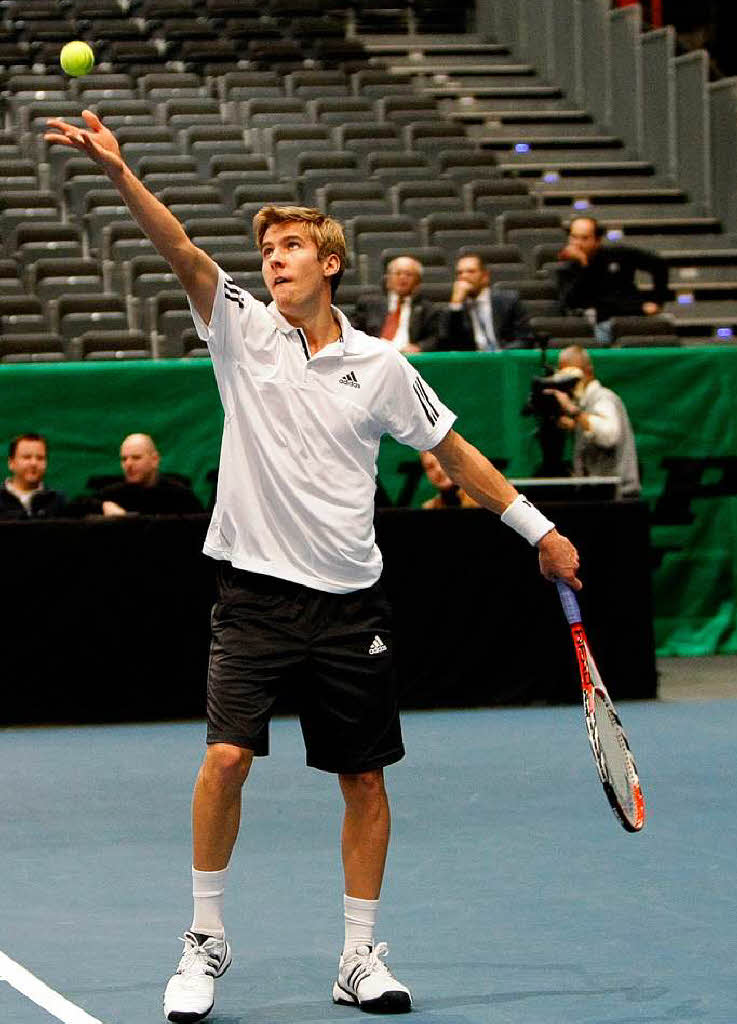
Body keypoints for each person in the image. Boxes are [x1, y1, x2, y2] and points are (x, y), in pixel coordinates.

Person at [44, 109, 581, 1023]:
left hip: (350, 606)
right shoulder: (238, 330)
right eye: (267, 251)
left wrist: (538, 528)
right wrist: (121, 174)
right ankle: (204, 940)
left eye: (291, 247)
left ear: (329, 263)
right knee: (223, 760)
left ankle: (359, 955)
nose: (274, 261)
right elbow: (179, 249)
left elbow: (454, 455)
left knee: (364, 780)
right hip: (250, 596)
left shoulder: (380, 367)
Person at [544, 345, 641, 498]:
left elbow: (609, 436)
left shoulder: (603, 398)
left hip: (618, 497)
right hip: (597, 495)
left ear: (588, 372)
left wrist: (574, 412)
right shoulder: (583, 404)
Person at [556, 217, 670, 345]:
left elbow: (658, 264)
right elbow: (571, 302)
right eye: (574, 237)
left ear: (597, 240)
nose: (578, 243)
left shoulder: (617, 254)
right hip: (600, 323)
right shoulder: (566, 268)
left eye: (584, 238)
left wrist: (658, 301)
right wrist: (584, 265)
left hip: (635, 315)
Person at [438, 252, 535, 351]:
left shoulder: (509, 301)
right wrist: (456, 306)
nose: (464, 276)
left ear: (485, 276)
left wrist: (500, 355)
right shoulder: (451, 310)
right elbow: (449, 346)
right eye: (460, 273)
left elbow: (525, 338)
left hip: (505, 360)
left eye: (471, 271)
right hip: (472, 363)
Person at [97, 432, 203, 516]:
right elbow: (83, 505)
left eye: (136, 457)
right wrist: (103, 506)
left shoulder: (180, 496)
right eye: (124, 459)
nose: (128, 464)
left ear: (155, 460)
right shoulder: (112, 495)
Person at [352, 256, 440, 353]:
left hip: (409, 359)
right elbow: (353, 333)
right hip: (375, 356)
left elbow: (434, 338)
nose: (402, 277)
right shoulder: (369, 303)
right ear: (388, 278)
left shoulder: (428, 309)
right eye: (397, 273)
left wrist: (419, 347)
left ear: (418, 282)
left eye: (408, 274)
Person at [0, 433, 68, 519]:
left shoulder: (58, 502)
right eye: (26, 457)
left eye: (40, 458)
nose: (34, 463)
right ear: (11, 463)